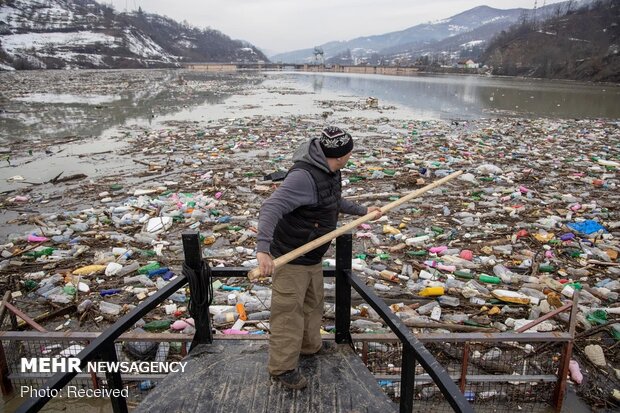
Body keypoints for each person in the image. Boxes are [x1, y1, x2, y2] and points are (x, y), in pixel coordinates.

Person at [256, 126, 382, 389]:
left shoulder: (330, 171)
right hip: (291, 256)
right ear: (341, 155)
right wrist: (263, 250)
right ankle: (282, 369)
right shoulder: (303, 177)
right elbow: (271, 207)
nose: (351, 156)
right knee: (288, 313)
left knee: (312, 305)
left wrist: (362, 211)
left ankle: (309, 347)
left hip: (312, 253)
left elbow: (332, 201)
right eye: (350, 153)